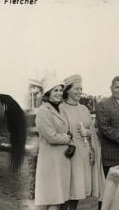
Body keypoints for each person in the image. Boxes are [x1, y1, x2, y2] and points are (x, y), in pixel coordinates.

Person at [59, 74, 105, 210]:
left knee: (78, 192)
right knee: (67, 192)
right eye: (76, 89)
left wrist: (89, 133)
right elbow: (59, 131)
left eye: (81, 89)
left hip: (84, 154)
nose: (80, 92)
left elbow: (92, 130)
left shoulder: (84, 109)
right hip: (69, 155)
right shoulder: (61, 109)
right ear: (67, 90)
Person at [34, 73, 71, 210]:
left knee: (57, 200)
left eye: (61, 90)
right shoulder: (43, 111)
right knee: (51, 201)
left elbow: (66, 129)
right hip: (50, 162)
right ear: (48, 93)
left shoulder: (60, 109)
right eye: (56, 90)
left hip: (61, 161)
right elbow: (51, 136)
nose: (59, 93)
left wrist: (68, 136)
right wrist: (68, 138)